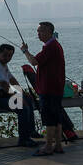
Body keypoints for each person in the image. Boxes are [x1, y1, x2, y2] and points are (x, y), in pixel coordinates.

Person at [21, 21, 65, 155]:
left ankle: (48, 146)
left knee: (49, 119)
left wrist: (25, 51)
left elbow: (34, 61)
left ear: (50, 32)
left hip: (48, 89)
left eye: (42, 31)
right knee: (56, 118)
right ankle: (58, 145)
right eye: (38, 31)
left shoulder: (50, 47)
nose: (39, 34)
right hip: (56, 88)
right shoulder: (54, 45)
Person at [0, 44, 40, 147]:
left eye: (10, 56)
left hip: (3, 94)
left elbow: (12, 80)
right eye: (5, 55)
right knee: (22, 107)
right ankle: (23, 139)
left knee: (28, 98)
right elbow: (4, 85)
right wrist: (17, 96)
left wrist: (22, 92)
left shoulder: (3, 64)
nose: (7, 58)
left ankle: (31, 131)